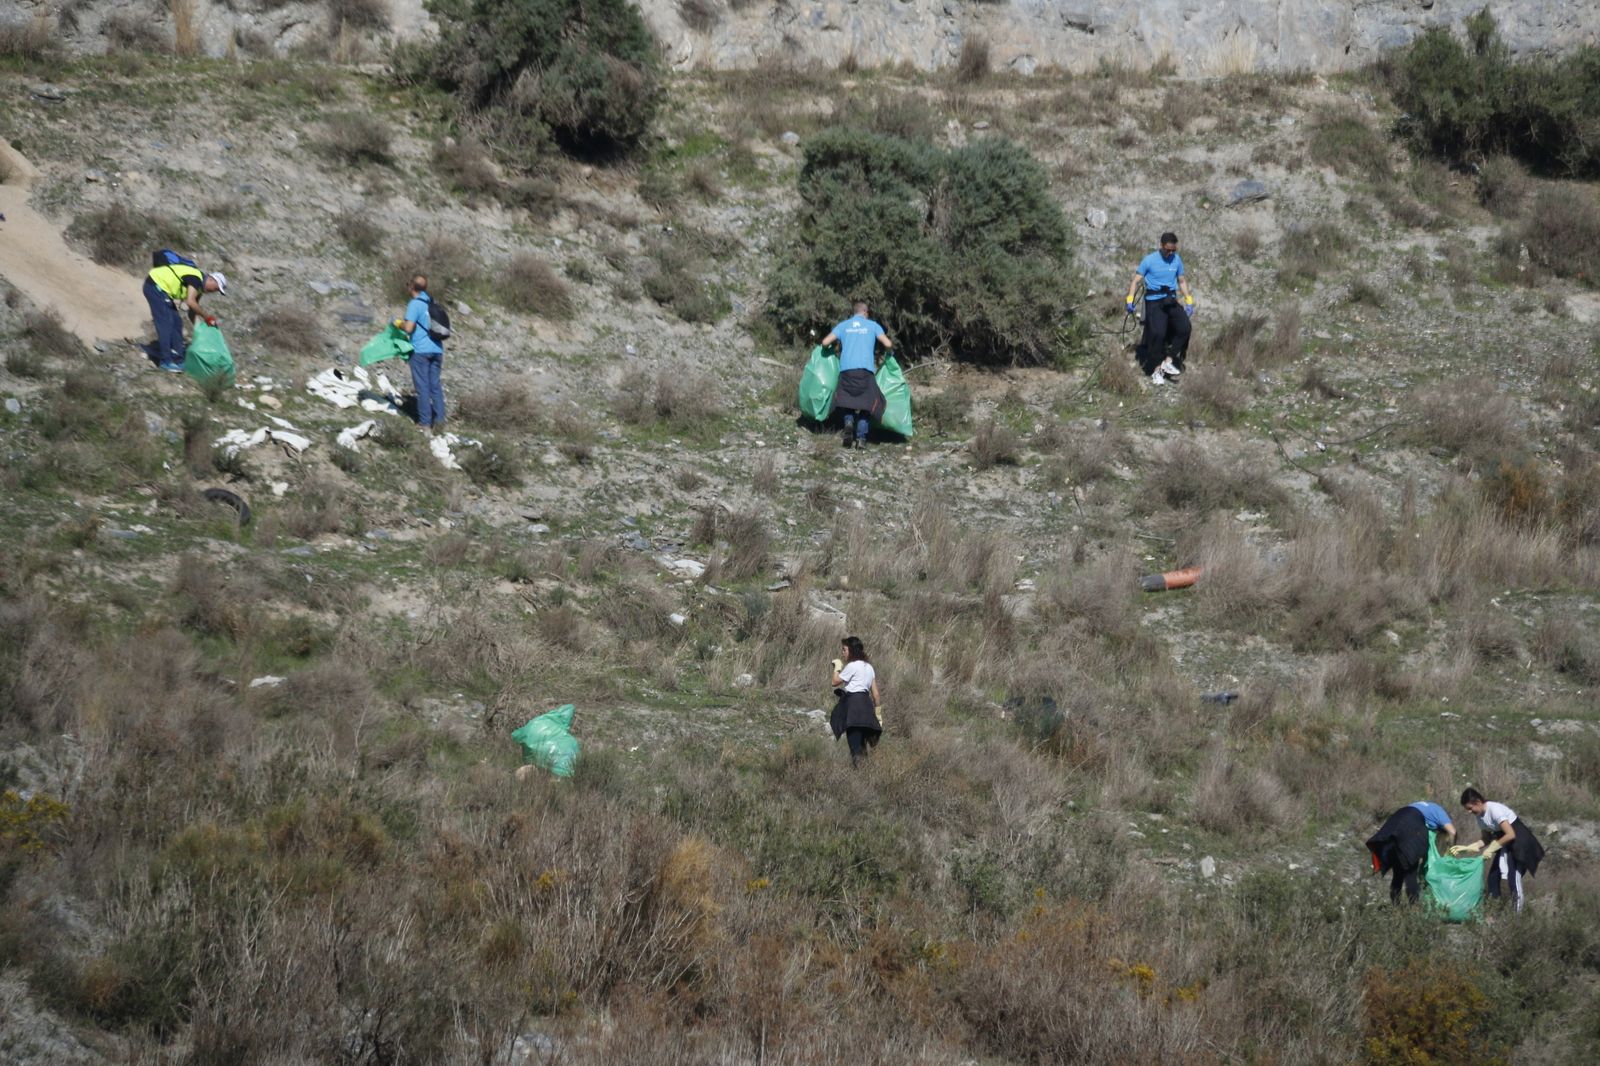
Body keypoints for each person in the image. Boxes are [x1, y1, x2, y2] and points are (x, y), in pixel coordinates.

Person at [820, 301, 893, 449]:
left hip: (846, 371)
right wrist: (889, 354)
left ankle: (848, 423)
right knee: (867, 405)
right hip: (865, 372)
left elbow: (825, 342)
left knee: (848, 402)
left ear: (854, 313)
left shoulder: (843, 325)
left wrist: (828, 349)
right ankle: (861, 439)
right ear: (865, 313)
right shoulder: (873, 326)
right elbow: (888, 344)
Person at [1125, 232, 1194, 386]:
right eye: (1168, 250)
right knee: (1157, 333)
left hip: (1170, 300)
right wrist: (1130, 300)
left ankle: (1168, 360)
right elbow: (1136, 280)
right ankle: (1156, 370)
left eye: (1173, 250)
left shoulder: (1176, 260)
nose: (1170, 253)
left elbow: (1181, 281)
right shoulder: (1149, 260)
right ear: (1162, 246)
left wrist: (1189, 301)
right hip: (1154, 301)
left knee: (1185, 327)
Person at [1460, 788, 1545, 913]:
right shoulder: (1479, 817)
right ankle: (1493, 912)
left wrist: (1493, 847)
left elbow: (1510, 834)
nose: (1469, 811)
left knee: (1513, 877)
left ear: (1477, 802)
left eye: (1470, 808)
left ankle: (1516, 916)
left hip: (1520, 843)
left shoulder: (1494, 810)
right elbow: (1486, 838)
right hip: (1505, 844)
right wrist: (1469, 847)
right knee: (1493, 878)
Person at [144, 255, 227, 373]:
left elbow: (192, 312)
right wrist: (207, 317)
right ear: (211, 280)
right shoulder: (196, 278)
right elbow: (190, 302)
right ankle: (166, 361)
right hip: (155, 285)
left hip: (164, 292)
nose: (214, 291)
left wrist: (201, 331)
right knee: (166, 323)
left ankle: (178, 360)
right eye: (216, 288)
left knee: (177, 323)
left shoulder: (199, 288)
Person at [1364, 800, 1456, 904]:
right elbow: (1452, 831)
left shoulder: (1426, 806)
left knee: (1398, 870)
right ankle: (1413, 907)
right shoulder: (1441, 814)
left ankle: (1395, 907)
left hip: (1395, 822)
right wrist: (1451, 853)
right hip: (1409, 826)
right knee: (1410, 872)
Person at [396, 274, 446, 433]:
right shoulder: (432, 302)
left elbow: (409, 328)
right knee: (435, 386)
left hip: (420, 350)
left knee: (422, 386)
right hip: (437, 349)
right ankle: (440, 422)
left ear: (412, 287)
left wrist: (397, 324)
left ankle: (425, 423)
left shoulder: (415, 304)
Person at [829, 635, 883, 766]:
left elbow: (835, 682)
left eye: (844, 650)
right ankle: (866, 775)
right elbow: (876, 694)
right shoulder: (869, 668)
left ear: (852, 650)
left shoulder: (852, 666)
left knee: (855, 748)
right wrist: (878, 715)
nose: (843, 653)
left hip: (854, 709)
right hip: (867, 709)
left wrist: (837, 666)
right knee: (862, 748)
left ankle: (859, 777)